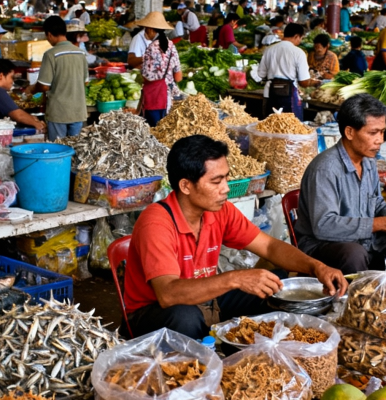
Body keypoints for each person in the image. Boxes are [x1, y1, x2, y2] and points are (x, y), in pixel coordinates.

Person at [124, 134, 346, 339]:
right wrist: (236, 278)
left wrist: (316, 267)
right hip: (155, 312)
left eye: (226, 178)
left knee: (275, 287)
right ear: (186, 186)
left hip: (206, 300)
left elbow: (269, 247)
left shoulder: (219, 211)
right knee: (185, 317)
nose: (226, 188)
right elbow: (168, 294)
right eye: (216, 181)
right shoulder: (157, 223)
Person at [294, 94, 386, 275]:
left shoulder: (368, 161)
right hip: (324, 244)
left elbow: (376, 202)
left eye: (382, 132)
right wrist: (383, 224)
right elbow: (324, 226)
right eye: (373, 133)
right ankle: (356, 300)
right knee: (353, 254)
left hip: (364, 239)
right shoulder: (325, 170)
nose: (380, 139)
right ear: (350, 132)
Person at [29, 15, 88, 141]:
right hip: (78, 111)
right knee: (76, 150)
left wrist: (32, 89)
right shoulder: (80, 53)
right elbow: (85, 81)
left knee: (58, 150)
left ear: (49, 34)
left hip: (59, 112)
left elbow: (44, 85)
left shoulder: (51, 54)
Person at [257, 22, 320, 120]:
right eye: (301, 38)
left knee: (268, 129)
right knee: (291, 130)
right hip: (289, 97)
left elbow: (261, 74)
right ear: (296, 36)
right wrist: (313, 82)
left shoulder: (269, 50)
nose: (300, 41)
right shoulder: (299, 53)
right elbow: (303, 82)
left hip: (269, 94)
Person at [137, 12, 182, 127]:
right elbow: (178, 76)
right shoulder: (172, 46)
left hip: (153, 98)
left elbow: (147, 76)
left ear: (151, 29)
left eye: (146, 30)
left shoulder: (151, 48)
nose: (145, 33)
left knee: (153, 130)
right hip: (168, 98)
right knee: (164, 130)